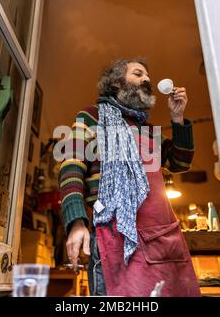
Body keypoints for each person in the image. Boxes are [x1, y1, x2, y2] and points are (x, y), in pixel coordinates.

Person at [58, 58, 201, 297]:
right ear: (116, 83)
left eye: (148, 76)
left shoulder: (147, 130)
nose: (147, 80)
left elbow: (180, 163)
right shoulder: (91, 116)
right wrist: (76, 222)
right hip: (112, 237)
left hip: (160, 239)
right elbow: (71, 164)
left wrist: (177, 119)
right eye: (138, 74)